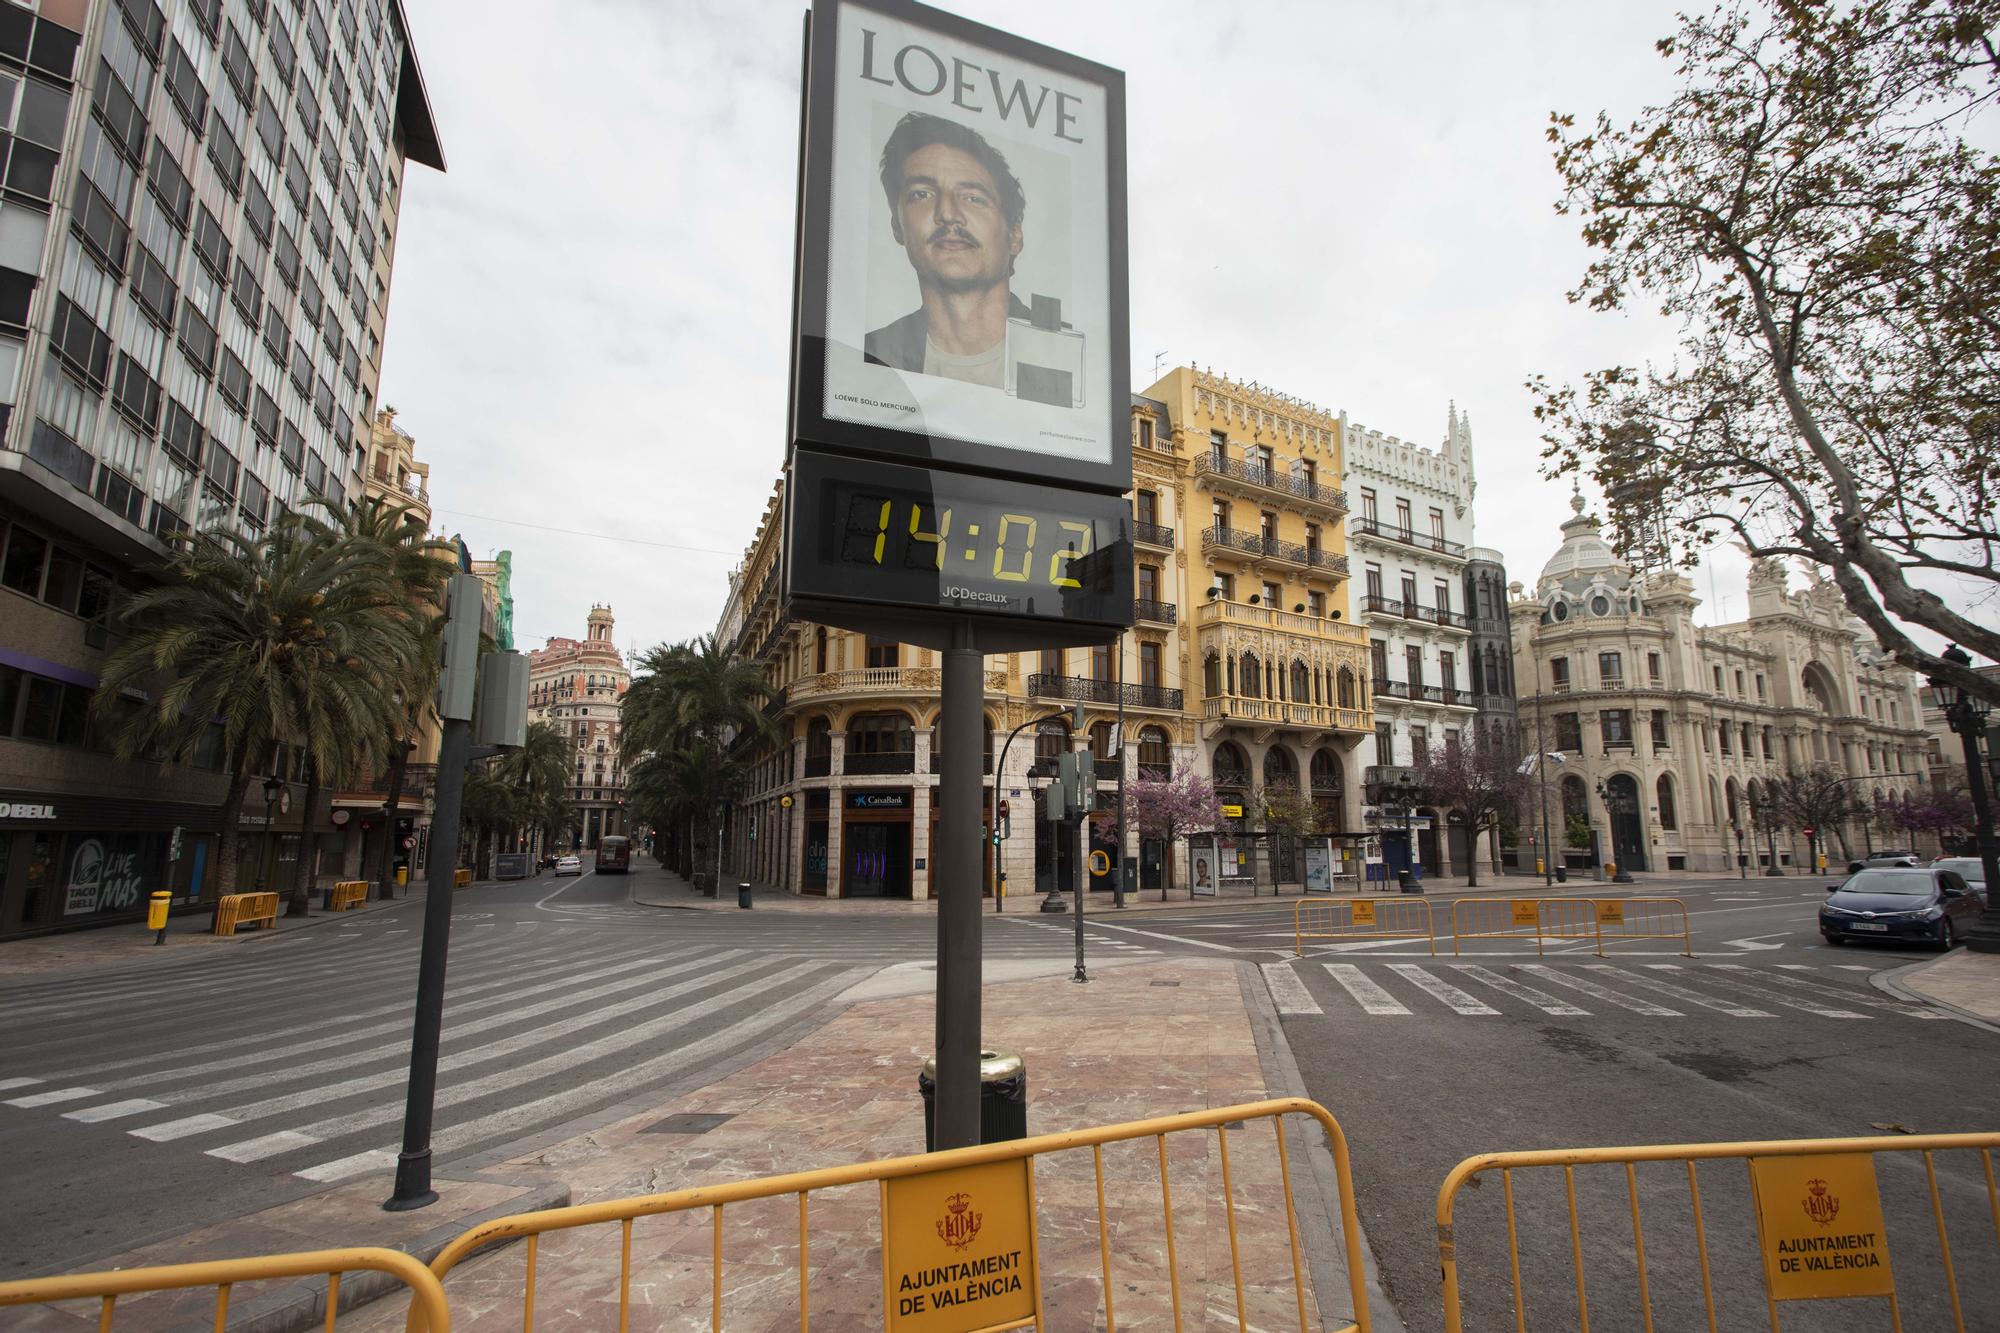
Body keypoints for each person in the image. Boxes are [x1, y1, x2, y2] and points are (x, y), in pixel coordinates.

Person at [866, 112, 1031, 386]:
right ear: (897, 225)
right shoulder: (872, 358)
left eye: (973, 198)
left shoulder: (1068, 358)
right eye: (922, 194)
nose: (947, 213)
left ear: (1014, 233)